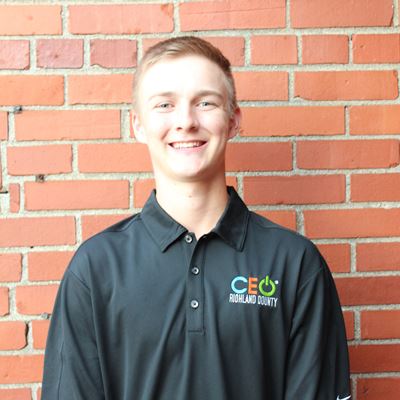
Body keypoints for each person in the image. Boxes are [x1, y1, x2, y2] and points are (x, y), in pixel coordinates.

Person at [41, 36, 351, 400]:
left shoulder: (294, 263)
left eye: (205, 102)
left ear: (233, 120)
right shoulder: (95, 268)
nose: (186, 121)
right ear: (138, 125)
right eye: (165, 105)